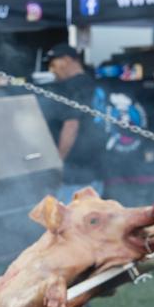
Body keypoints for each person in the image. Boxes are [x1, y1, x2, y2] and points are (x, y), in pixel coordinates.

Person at [44, 43, 106, 203]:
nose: (52, 69)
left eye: (53, 64)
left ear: (66, 60)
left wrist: (57, 162)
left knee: (68, 224)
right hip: (94, 168)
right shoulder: (92, 82)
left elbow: (71, 126)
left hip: (75, 173)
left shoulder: (73, 86)